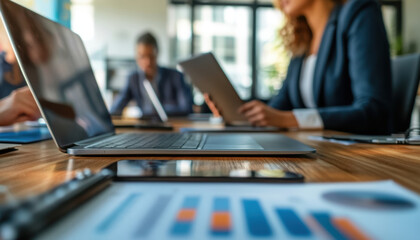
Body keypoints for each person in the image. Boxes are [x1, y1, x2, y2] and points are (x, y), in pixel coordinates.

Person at [236, 0, 391, 134]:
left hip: (355, 158)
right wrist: (241, 115)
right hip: (317, 151)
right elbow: (281, 104)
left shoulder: (359, 12)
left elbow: (373, 109)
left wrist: (289, 119)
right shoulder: (303, 39)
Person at [110, 32, 193, 117]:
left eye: (151, 56)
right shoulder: (133, 79)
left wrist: (157, 112)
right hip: (144, 127)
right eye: (142, 56)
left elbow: (186, 108)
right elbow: (116, 109)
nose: (148, 62)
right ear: (136, 57)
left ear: (157, 53)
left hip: (172, 125)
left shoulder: (176, 77)